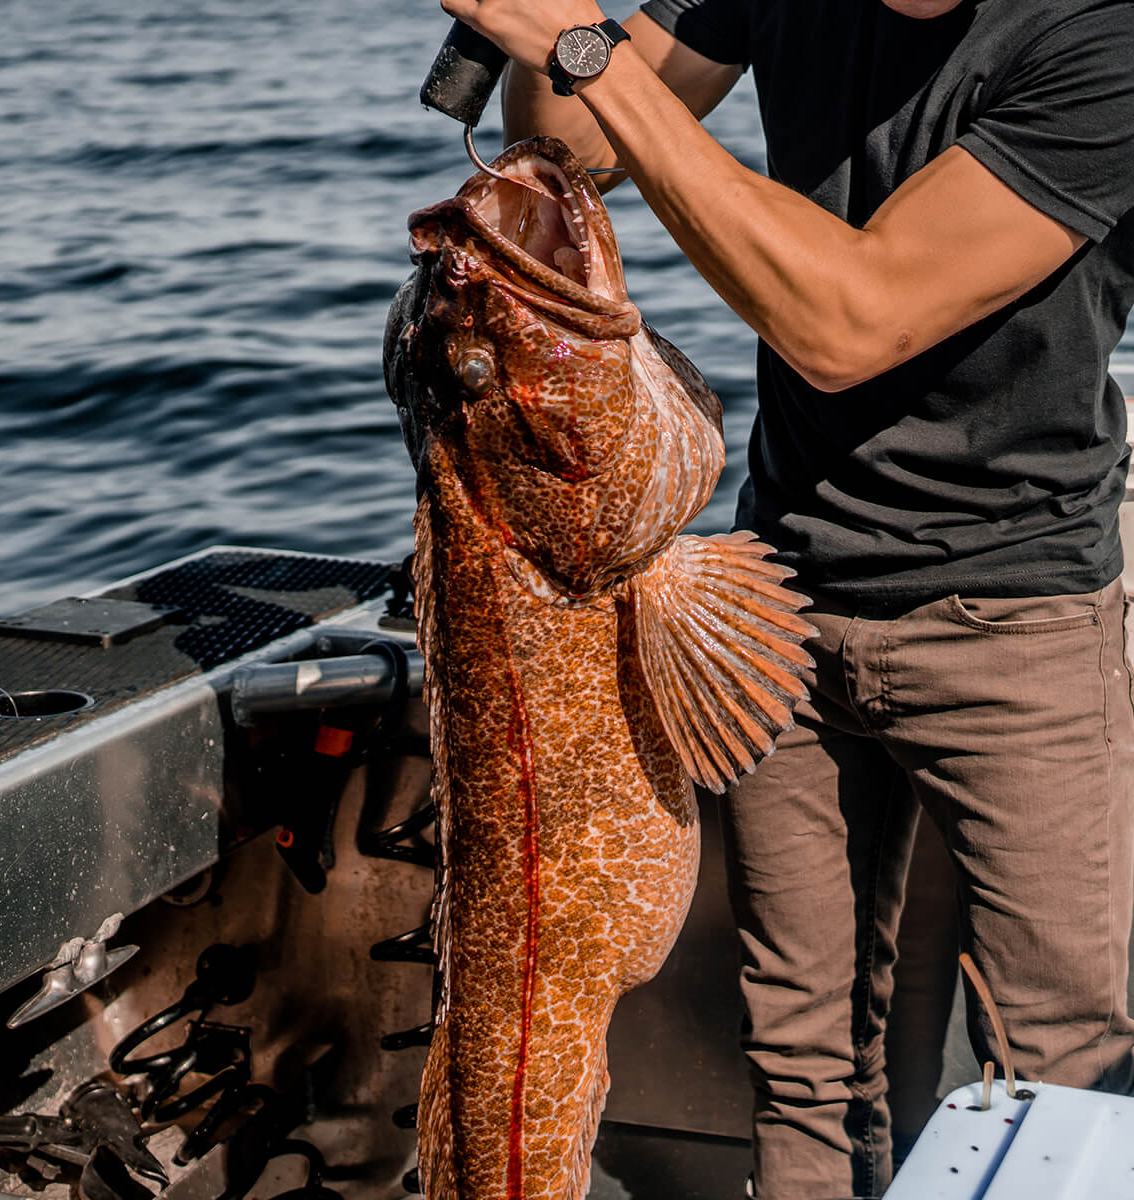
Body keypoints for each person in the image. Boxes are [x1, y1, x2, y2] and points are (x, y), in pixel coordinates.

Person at [435, 1, 1134, 1196]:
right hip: (781, 597)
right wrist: (545, 28)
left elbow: (847, 322)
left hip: (1015, 620)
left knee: (1060, 1069)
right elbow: (570, 143)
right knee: (805, 1062)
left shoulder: (1103, 40)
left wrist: (592, 55)